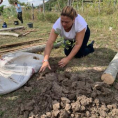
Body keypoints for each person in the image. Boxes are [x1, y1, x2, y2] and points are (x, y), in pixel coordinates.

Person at [40, 6, 94, 72]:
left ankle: (90, 47)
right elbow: (50, 42)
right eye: (62, 21)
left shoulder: (80, 24)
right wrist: (45, 60)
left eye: (66, 22)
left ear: (73, 19)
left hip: (83, 34)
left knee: (79, 54)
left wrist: (68, 59)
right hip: (69, 37)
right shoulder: (58, 25)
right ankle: (82, 47)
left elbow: (77, 44)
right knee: (67, 52)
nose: (63, 24)